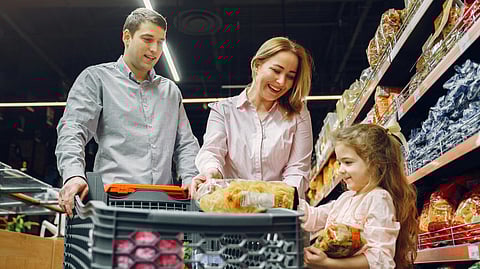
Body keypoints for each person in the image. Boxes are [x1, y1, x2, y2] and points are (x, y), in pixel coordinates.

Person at [56, 8, 200, 216]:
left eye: (160, 42)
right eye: (147, 39)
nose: (155, 49)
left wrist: (191, 178)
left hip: (163, 206)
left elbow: (185, 144)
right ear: (127, 37)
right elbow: (72, 129)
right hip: (112, 205)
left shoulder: (170, 92)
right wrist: (73, 175)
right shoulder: (97, 79)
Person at [190, 36, 314, 198]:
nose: (281, 82)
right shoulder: (224, 111)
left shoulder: (298, 113)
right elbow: (212, 152)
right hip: (231, 207)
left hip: (278, 211)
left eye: (290, 76)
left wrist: (281, 198)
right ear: (257, 65)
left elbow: (298, 168)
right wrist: (211, 174)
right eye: (276, 70)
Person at [301, 124, 418, 269]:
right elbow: (314, 216)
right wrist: (283, 199)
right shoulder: (346, 199)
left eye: (348, 162)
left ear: (376, 163)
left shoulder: (378, 199)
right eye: (339, 163)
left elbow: (380, 259)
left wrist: (327, 263)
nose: (340, 170)